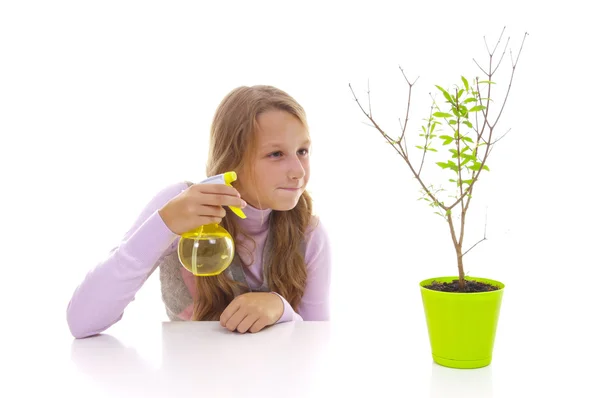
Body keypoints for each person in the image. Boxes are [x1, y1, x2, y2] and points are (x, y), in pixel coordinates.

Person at [66, 85, 332, 338]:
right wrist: (164, 224)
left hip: (275, 384)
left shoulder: (308, 234)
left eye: (302, 151)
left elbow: (319, 344)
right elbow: (81, 321)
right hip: (187, 382)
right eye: (276, 154)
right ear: (232, 159)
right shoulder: (181, 204)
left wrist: (280, 309)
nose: (298, 171)